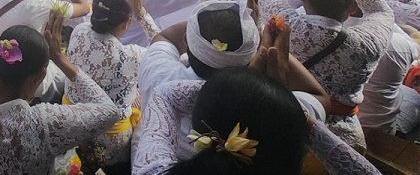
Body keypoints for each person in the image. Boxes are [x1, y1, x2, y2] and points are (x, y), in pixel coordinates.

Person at [259, 0, 394, 149]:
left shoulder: (285, 23)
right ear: (351, 8)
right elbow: (381, 10)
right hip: (341, 138)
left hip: (282, 122)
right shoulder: (368, 43)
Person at [133, 68, 380, 175]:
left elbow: (166, 94)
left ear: (201, 129)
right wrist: (299, 121)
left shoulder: (153, 168)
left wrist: (226, 91)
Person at [0, 15, 121, 174]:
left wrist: (27, 42)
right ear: (39, 77)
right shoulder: (42, 124)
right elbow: (110, 111)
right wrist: (59, 58)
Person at [68, 0, 158, 173]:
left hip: (71, 120)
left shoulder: (79, 31)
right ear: (126, 23)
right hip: (110, 140)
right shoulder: (132, 56)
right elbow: (164, 47)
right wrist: (140, 12)